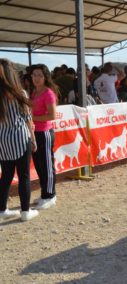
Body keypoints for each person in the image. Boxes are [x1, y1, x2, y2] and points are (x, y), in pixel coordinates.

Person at [0, 59, 39, 221]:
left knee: (6, 176)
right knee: (23, 176)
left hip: (2, 140)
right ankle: (25, 211)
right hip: (20, 138)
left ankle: (2, 209)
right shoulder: (20, 94)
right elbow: (28, 120)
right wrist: (34, 140)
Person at [30, 64, 58, 210]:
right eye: (34, 75)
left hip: (45, 133)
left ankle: (50, 195)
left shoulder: (48, 93)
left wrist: (32, 117)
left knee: (47, 165)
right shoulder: (34, 92)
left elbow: (52, 115)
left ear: (45, 76)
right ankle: (44, 193)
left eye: (40, 75)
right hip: (35, 133)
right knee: (40, 166)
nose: (36, 78)